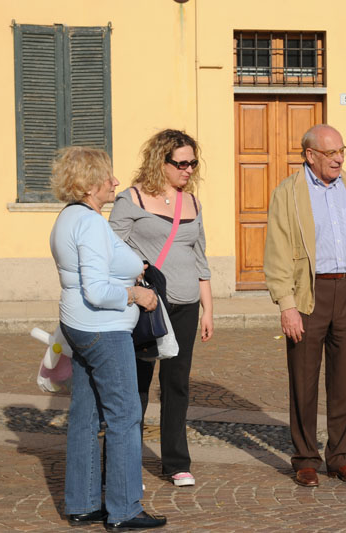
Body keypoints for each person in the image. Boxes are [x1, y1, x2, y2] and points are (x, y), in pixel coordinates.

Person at [49, 146, 167, 531]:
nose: (115, 183)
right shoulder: (91, 223)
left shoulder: (69, 218)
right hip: (103, 326)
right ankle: (125, 508)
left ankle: (82, 503)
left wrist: (134, 269)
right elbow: (98, 290)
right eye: (108, 177)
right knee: (124, 415)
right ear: (88, 185)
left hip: (79, 324)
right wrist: (137, 294)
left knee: (85, 413)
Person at [264, 124, 346, 488]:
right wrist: (287, 304)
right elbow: (278, 251)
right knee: (304, 378)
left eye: (342, 150)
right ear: (310, 155)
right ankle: (306, 458)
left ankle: (341, 458)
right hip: (308, 294)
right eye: (331, 153)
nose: (339, 158)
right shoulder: (288, 192)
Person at [109, 129, 213, 488]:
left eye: (192, 163)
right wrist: (135, 279)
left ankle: (176, 462)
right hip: (149, 306)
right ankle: (125, 460)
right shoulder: (131, 199)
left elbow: (201, 260)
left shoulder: (193, 202)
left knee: (176, 384)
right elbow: (111, 248)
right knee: (136, 384)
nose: (188, 169)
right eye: (180, 163)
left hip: (186, 306)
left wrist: (208, 308)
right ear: (161, 161)